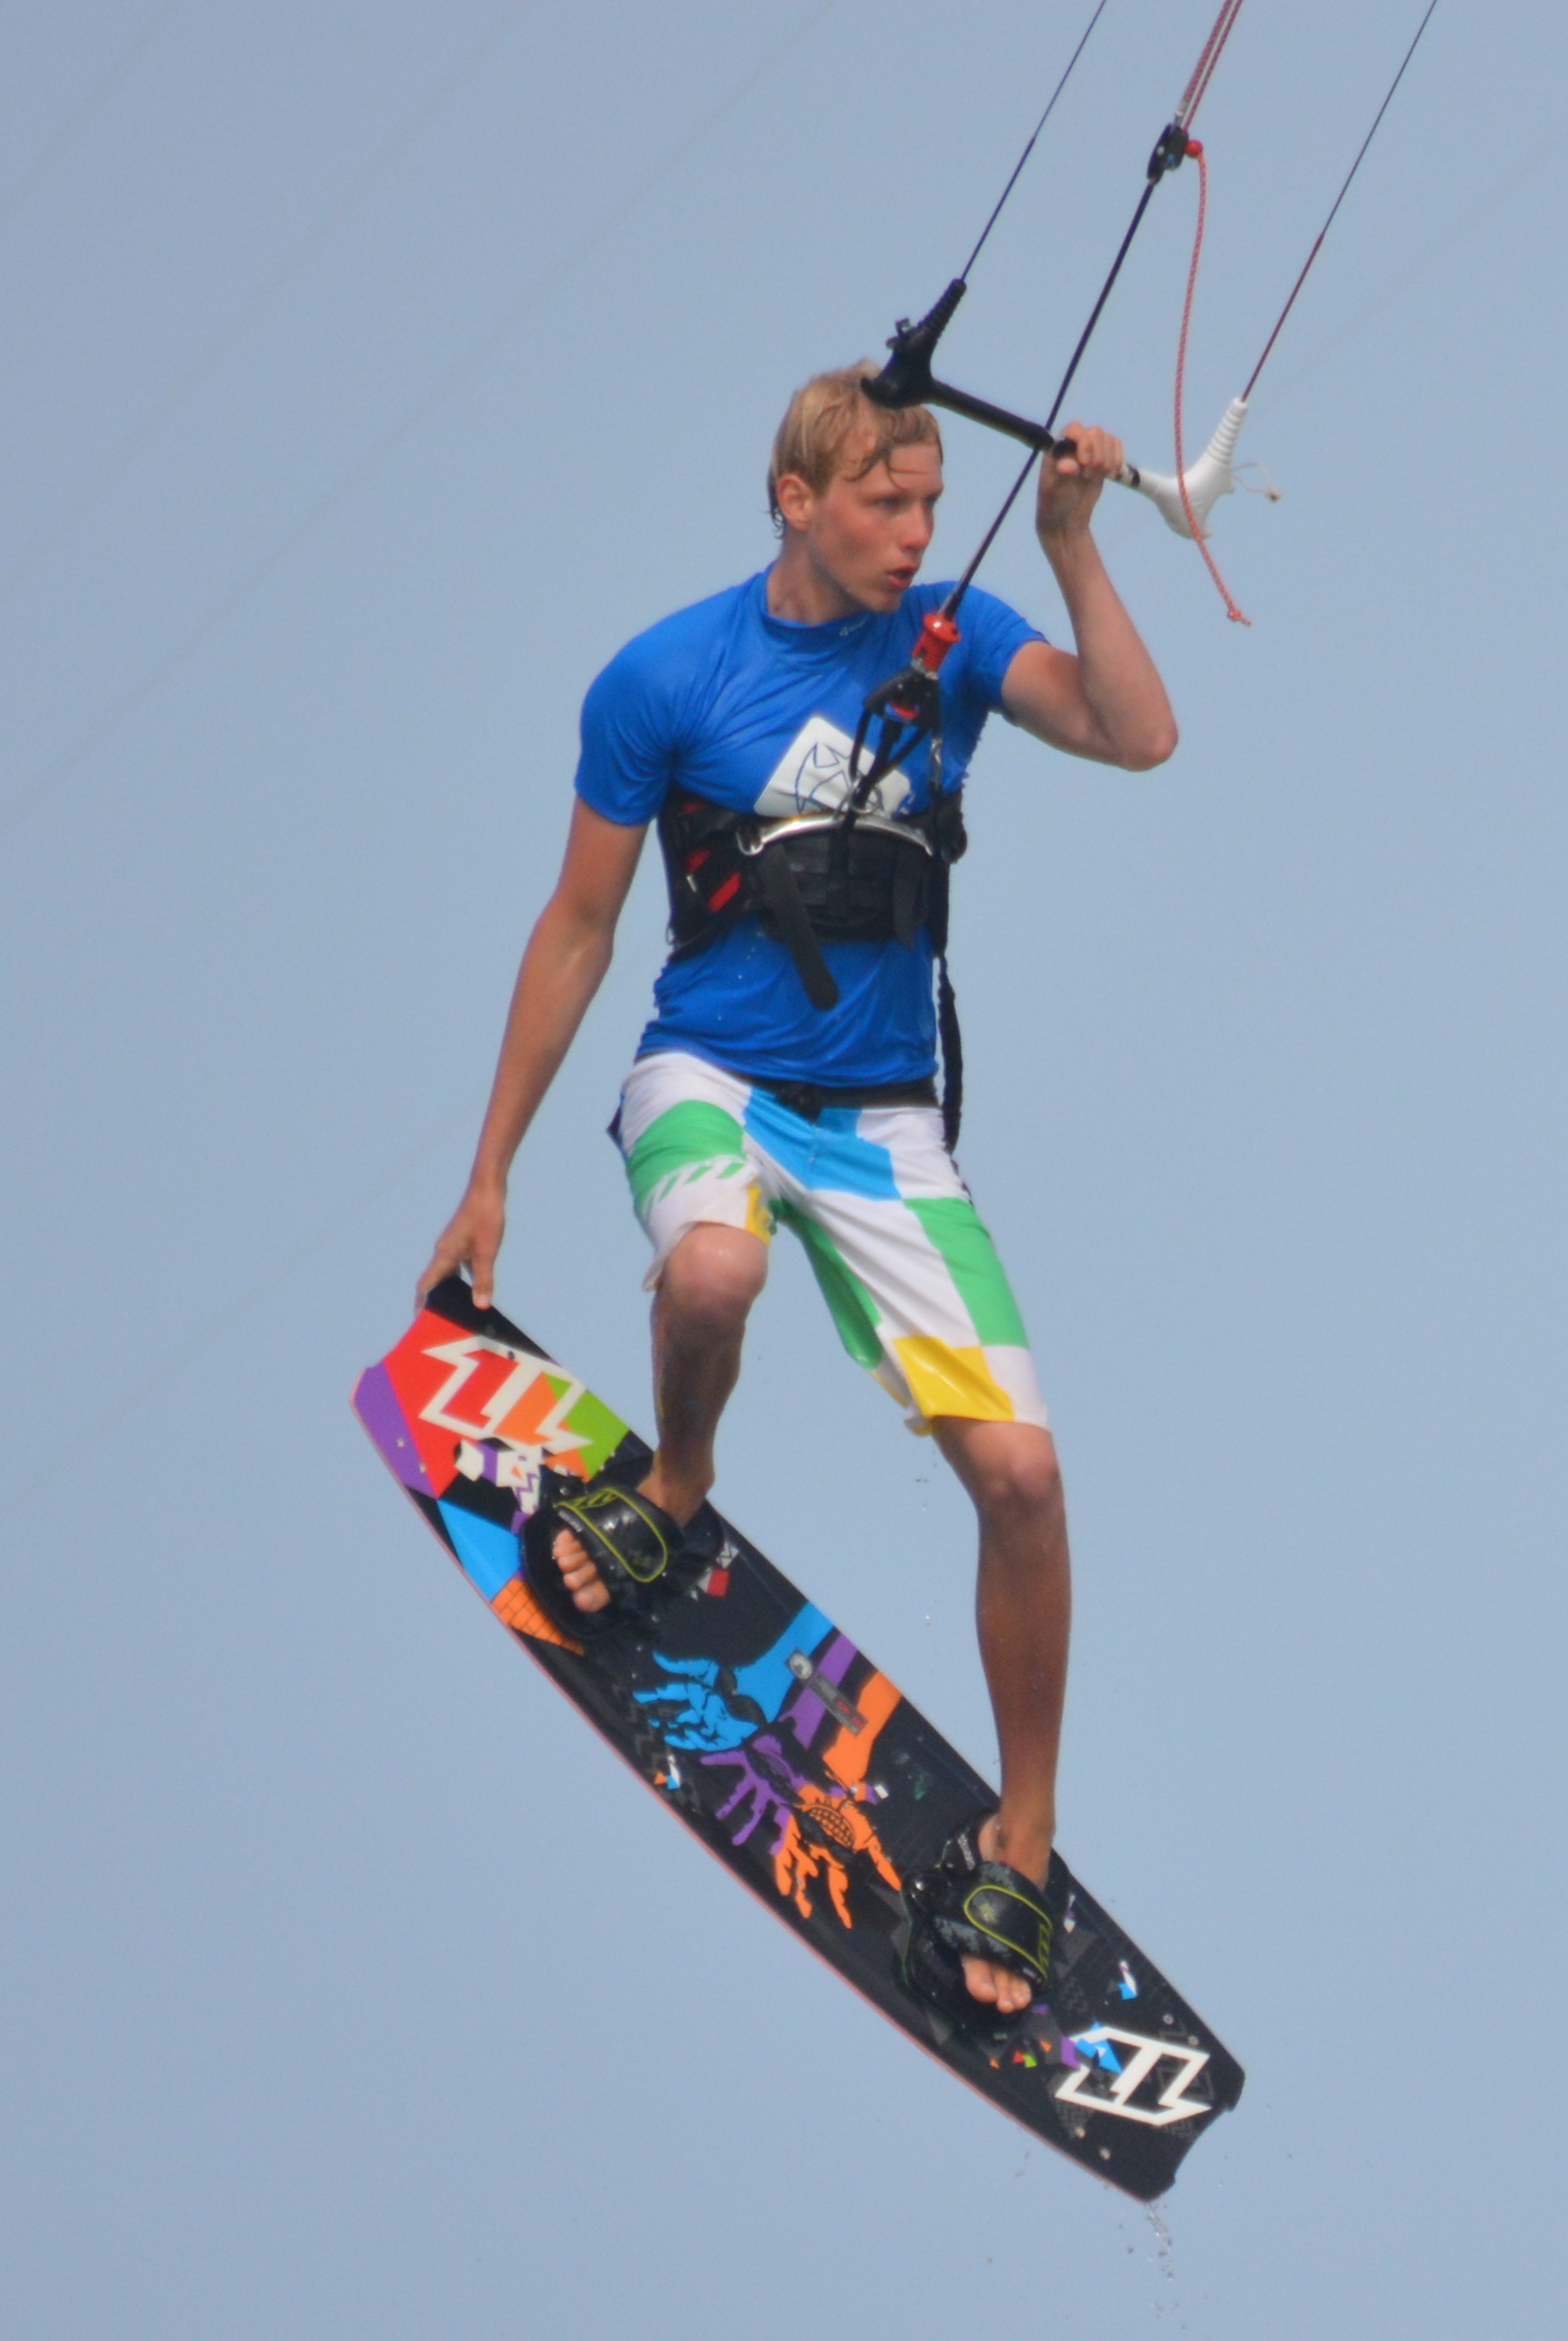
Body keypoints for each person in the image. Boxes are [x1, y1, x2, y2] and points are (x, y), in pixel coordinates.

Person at [419, 364, 1176, 2022]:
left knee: (1028, 1482)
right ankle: (678, 1485)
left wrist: (1068, 544)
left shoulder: (958, 636)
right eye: (885, 505)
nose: (916, 533)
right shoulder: (664, 677)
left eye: (926, 503)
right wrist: (490, 1174)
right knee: (708, 1281)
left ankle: (1023, 1835)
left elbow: (1140, 735)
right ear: (796, 500)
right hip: (717, 1084)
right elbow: (577, 928)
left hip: (889, 1130)